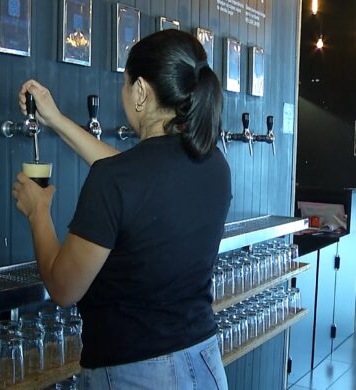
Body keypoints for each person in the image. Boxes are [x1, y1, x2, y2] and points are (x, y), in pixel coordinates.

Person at [12, 29, 231, 389]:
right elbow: (134, 179)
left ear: (141, 91)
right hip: (205, 362)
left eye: (126, 84)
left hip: (137, 373)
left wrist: (38, 213)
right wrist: (54, 118)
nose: (123, 93)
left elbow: (64, 289)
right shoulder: (214, 164)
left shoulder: (115, 181)